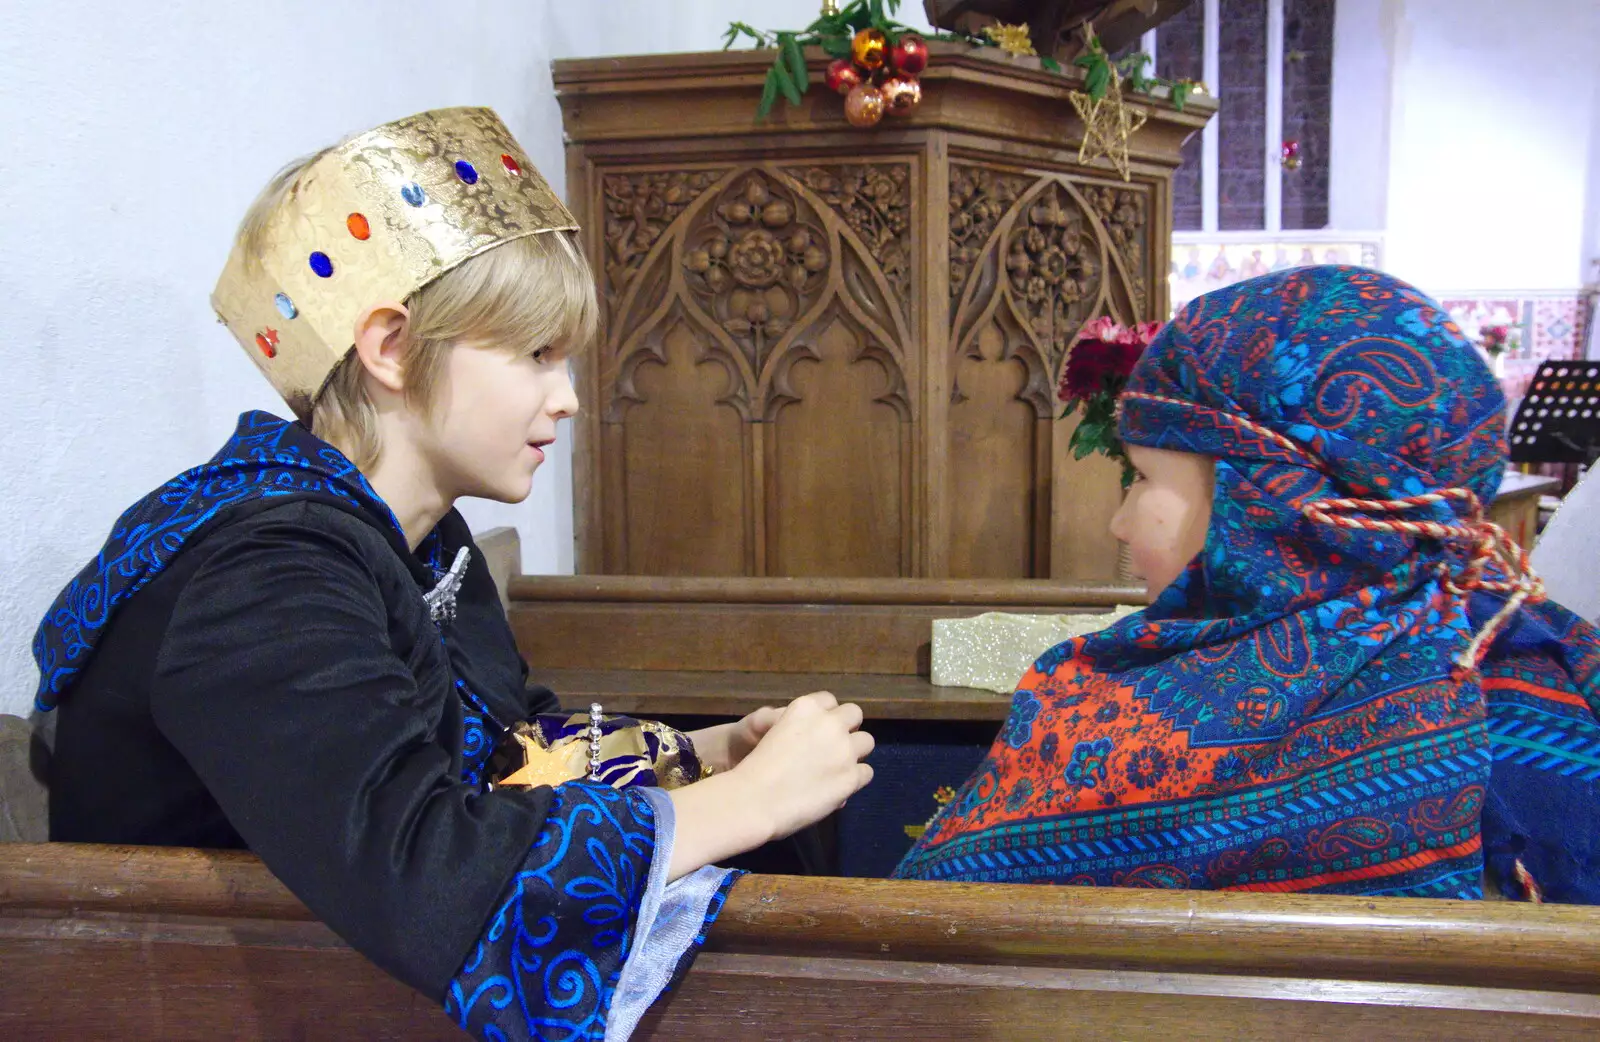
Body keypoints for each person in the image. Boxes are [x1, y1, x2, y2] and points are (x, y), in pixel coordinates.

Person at [34, 107, 875, 1040]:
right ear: (391, 348)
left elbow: (502, 749)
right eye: (535, 355)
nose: (566, 398)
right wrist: (746, 802)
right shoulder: (265, 573)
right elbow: (424, 873)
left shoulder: (420, 536)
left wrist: (709, 752)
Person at [896, 265, 1600, 903]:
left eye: (1143, 479)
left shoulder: (1129, 738)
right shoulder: (1551, 677)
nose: (1119, 522)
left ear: (1263, 500)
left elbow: (923, 934)